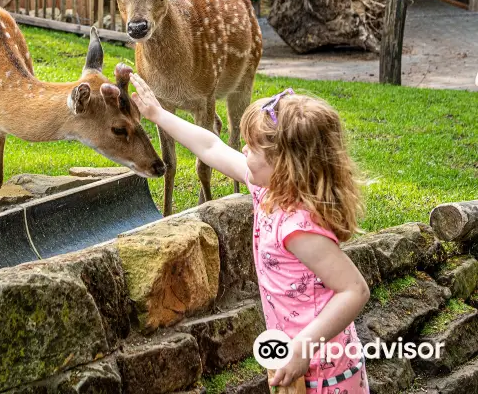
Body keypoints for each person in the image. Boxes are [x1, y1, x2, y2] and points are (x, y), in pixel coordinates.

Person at [130, 74, 371, 394]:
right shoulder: (265, 188)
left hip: (325, 374)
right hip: (294, 364)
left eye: (253, 148)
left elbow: (354, 290)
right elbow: (210, 145)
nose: (243, 149)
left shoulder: (299, 227)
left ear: (285, 165)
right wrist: (158, 114)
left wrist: (303, 349)